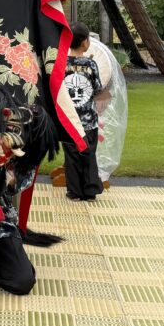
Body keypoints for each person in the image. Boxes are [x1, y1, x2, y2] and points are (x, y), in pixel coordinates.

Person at [61, 22, 104, 201]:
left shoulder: (61, 63)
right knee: (89, 153)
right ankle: (90, 190)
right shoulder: (91, 64)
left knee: (71, 155)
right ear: (85, 42)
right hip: (88, 120)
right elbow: (97, 88)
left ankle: (74, 191)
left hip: (68, 120)